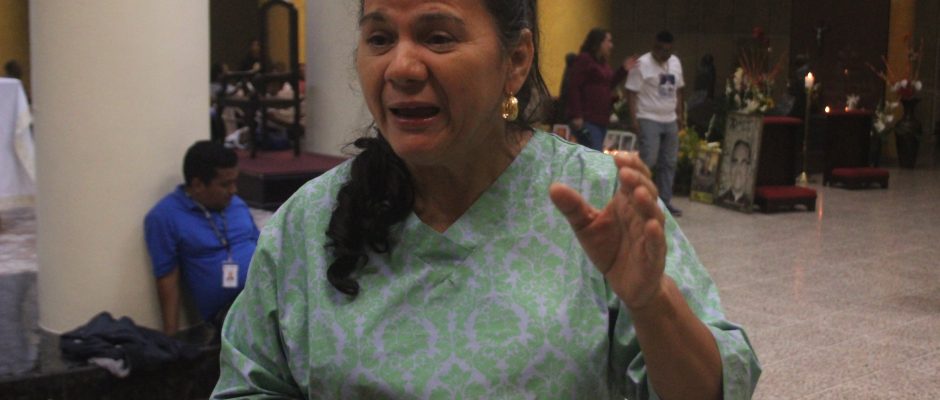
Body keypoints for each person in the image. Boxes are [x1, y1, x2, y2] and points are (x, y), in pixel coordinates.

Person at [212, 1, 760, 399]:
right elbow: (248, 383)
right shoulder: (309, 222)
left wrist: (651, 301)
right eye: (379, 39)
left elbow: (714, 390)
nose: (401, 67)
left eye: (438, 37)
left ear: (516, 60)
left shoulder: (595, 199)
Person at [144, 141, 259, 336]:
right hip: (231, 309)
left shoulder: (236, 204)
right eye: (225, 184)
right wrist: (170, 340)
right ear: (197, 185)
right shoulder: (165, 216)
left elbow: (262, 247)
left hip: (266, 291)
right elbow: (167, 279)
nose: (234, 190)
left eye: (235, 182)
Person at [626, 30, 685, 216]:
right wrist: (634, 120)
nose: (663, 54)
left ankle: (664, 202)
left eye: (667, 51)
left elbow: (679, 91)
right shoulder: (642, 64)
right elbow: (631, 93)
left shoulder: (675, 63)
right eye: (659, 49)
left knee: (669, 162)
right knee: (648, 159)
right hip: (648, 117)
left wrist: (680, 114)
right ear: (654, 46)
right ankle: (635, 198)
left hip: (670, 119)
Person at [565, 28, 635, 151]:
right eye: (608, 41)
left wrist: (623, 70)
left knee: (595, 153)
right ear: (599, 43)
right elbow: (574, 87)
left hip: (601, 119)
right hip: (587, 118)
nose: (611, 46)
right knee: (592, 154)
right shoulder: (584, 59)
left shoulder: (603, 63)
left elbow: (608, 84)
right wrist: (576, 115)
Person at [717, 139, 753, 207]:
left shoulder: (750, 206)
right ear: (730, 168)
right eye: (735, 162)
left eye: (743, 163)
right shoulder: (718, 201)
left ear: (749, 170)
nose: (738, 170)